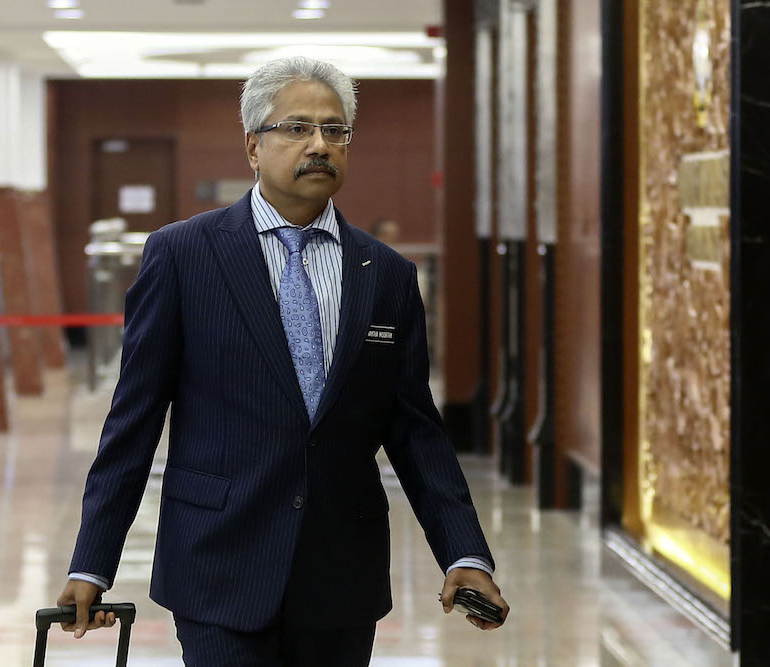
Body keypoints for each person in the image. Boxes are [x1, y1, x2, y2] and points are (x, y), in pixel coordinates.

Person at [56, 56, 509, 666]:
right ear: (252, 145)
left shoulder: (388, 277)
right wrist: (93, 562)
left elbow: (416, 431)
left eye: (335, 130)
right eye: (297, 128)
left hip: (340, 576)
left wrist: (465, 554)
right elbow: (132, 422)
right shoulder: (184, 257)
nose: (319, 144)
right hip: (219, 564)